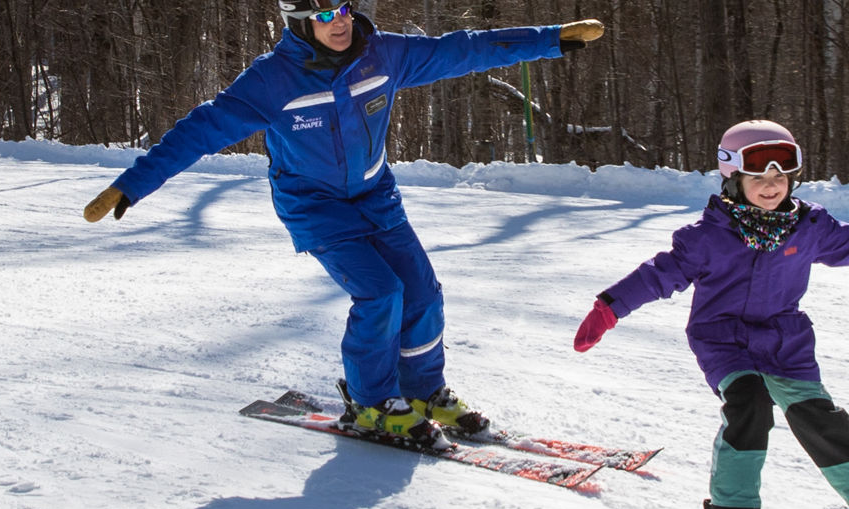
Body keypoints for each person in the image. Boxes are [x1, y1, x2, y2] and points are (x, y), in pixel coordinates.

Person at [84, 1, 607, 444]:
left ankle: (424, 391)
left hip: (376, 196)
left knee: (422, 291)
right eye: (326, 13)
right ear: (298, 20)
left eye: (346, 7)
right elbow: (200, 130)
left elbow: (462, 49)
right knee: (381, 293)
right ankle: (371, 402)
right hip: (314, 206)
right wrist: (134, 182)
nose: (341, 22)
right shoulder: (271, 81)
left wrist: (552, 39)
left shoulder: (382, 55)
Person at [571, 120, 849, 509]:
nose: (771, 186)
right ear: (734, 179)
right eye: (758, 178)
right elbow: (658, 276)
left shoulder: (808, 227)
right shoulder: (707, 239)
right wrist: (609, 307)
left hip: (785, 342)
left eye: (780, 177)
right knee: (749, 405)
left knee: (821, 420)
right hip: (724, 341)